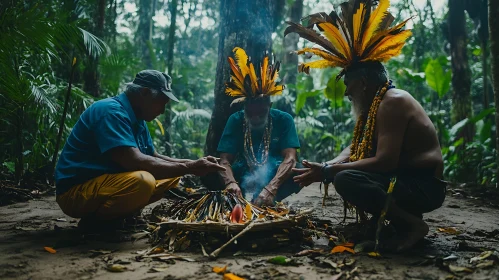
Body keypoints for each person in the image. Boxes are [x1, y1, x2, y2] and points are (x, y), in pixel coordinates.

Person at [286, 0, 447, 252]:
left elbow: (385, 162)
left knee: (347, 179)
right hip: (406, 180)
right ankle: (394, 222)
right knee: (345, 172)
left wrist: (330, 171)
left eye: (348, 85)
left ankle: (411, 225)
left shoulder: (393, 102)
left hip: (423, 187)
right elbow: (356, 148)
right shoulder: (376, 105)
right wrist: (328, 165)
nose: (347, 92)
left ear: (362, 82)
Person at [55, 70, 225, 230]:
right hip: (75, 193)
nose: (163, 110)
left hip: (105, 183)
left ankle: (121, 215)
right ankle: (97, 223)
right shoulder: (110, 112)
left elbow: (152, 156)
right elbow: (134, 161)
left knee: (172, 176)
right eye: (161, 103)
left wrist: (192, 164)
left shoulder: (138, 118)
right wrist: (191, 168)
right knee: (144, 181)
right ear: (144, 93)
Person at [216, 47, 302, 206]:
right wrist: (230, 183)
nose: (255, 118)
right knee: (211, 171)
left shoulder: (284, 119)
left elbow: (290, 158)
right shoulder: (235, 120)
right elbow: (224, 160)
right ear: (244, 106)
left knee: (298, 171)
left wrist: (271, 188)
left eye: (260, 113)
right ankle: (237, 198)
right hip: (243, 172)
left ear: (269, 105)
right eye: (251, 113)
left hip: (274, 173)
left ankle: (269, 200)